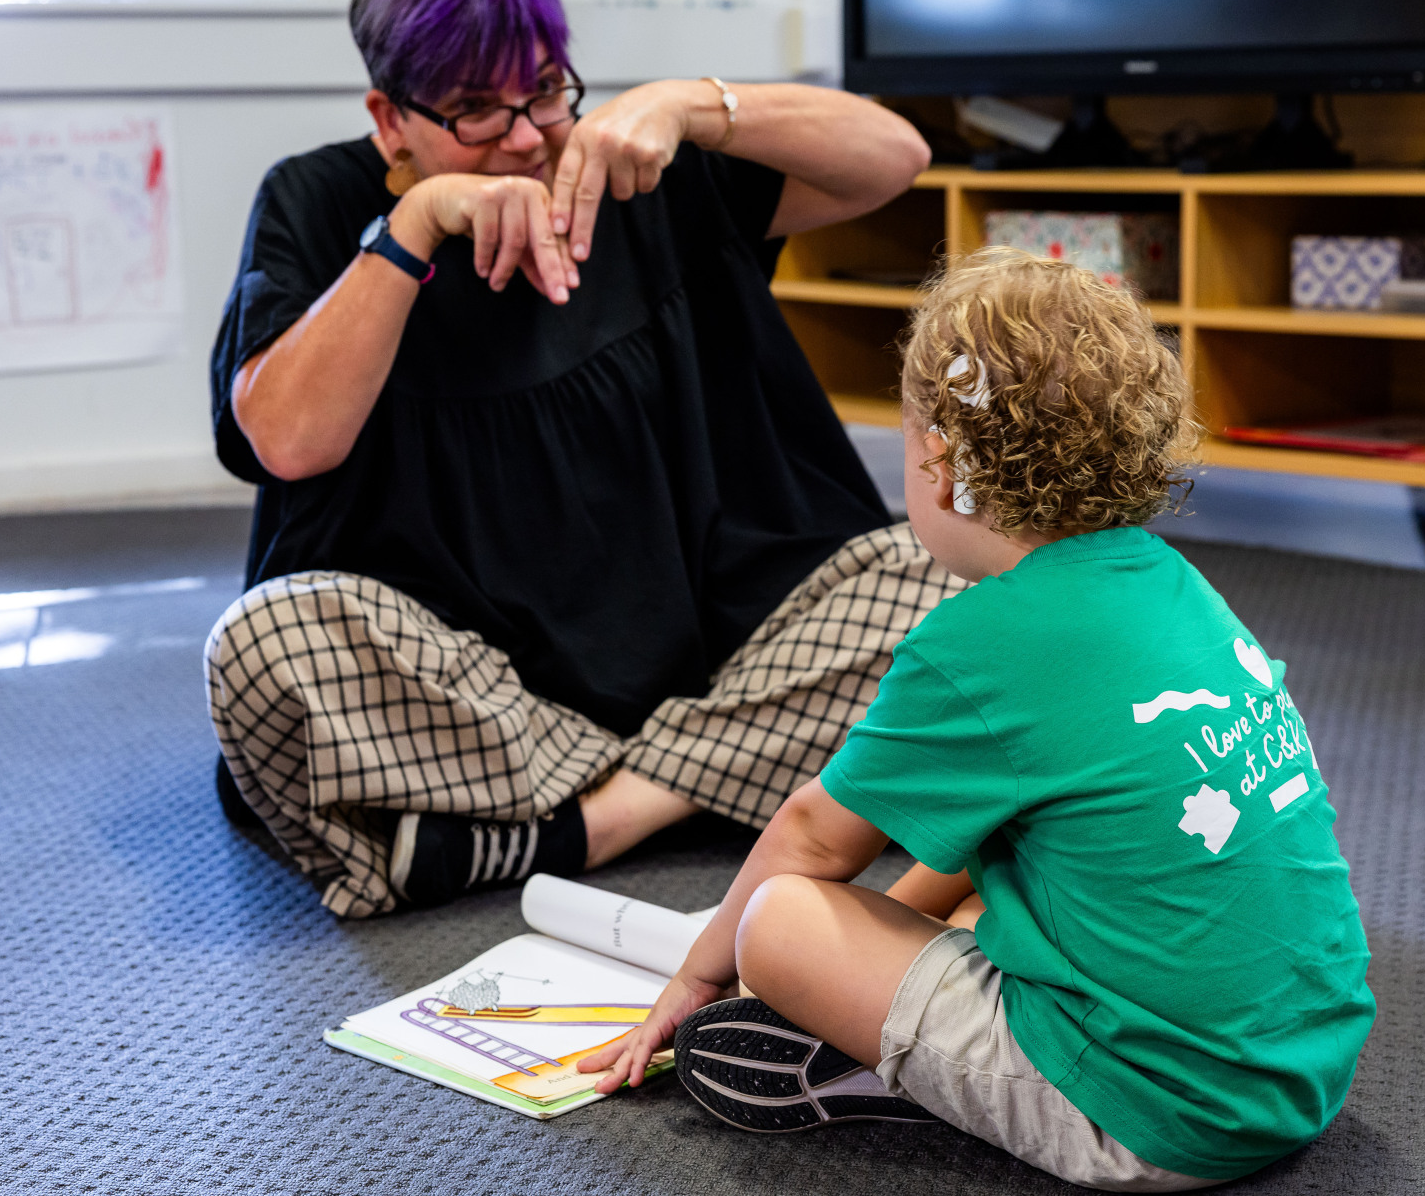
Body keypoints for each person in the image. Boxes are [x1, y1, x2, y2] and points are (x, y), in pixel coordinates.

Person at [205, 0, 961, 919]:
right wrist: (416, 224)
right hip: (475, 688)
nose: (523, 137)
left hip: (723, 647)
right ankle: (728, 773)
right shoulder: (316, 198)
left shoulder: (636, 169)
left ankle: (594, 820)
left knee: (958, 576)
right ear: (389, 121)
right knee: (266, 643)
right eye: (472, 110)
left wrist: (694, 103)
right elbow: (293, 439)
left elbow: (891, 159)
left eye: (542, 90)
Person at [584, 249, 1376, 1190]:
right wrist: (889, 919)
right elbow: (995, 830)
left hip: (1158, 1119)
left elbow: (805, 844)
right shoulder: (1172, 582)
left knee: (780, 922)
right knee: (978, 883)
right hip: (1305, 1067)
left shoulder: (978, 645)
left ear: (940, 461)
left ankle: (889, 1073)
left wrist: (697, 980)